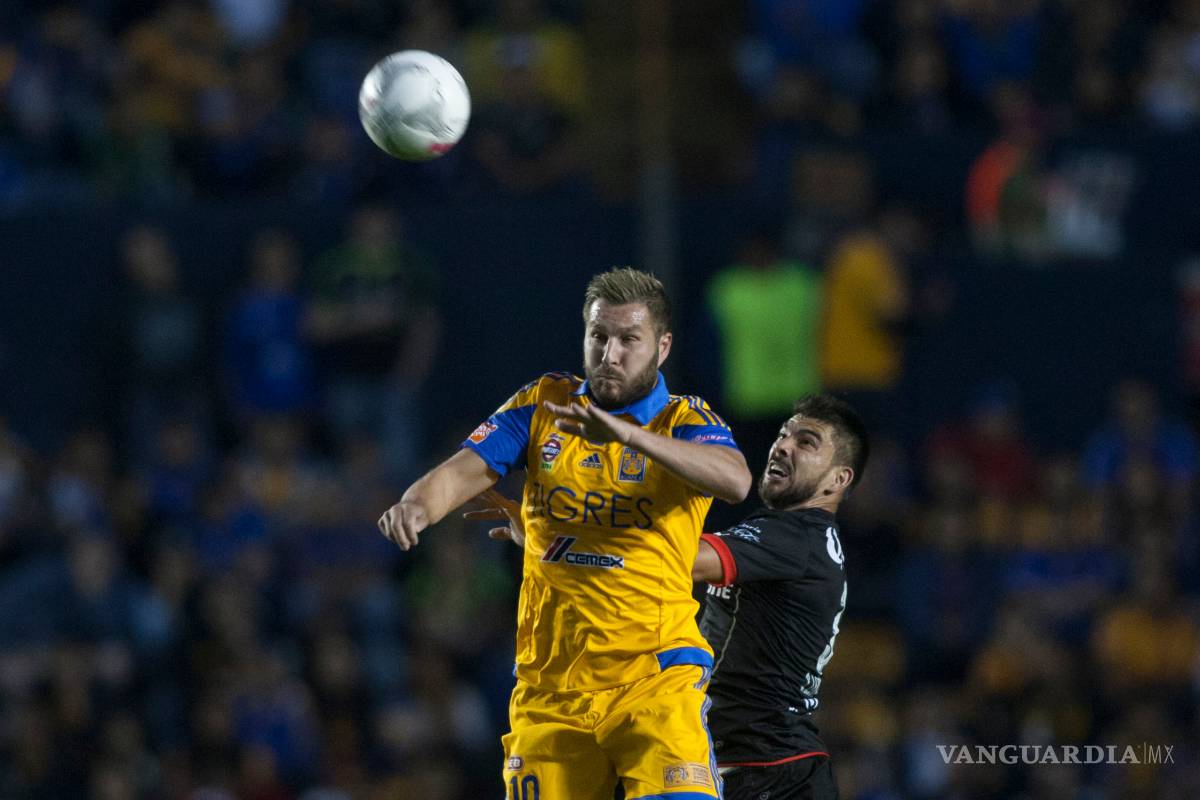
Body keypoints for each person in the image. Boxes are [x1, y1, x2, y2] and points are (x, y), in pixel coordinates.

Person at [377, 267, 752, 800]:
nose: (610, 354)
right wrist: (416, 505)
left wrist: (626, 434)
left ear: (662, 347)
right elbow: (465, 469)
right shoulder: (545, 404)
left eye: (629, 340)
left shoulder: (683, 421)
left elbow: (736, 480)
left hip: (655, 679)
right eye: (599, 336)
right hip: (550, 688)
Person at [475, 393, 866, 800]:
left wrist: (553, 536)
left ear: (838, 480)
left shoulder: (797, 538)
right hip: (754, 765)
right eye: (784, 435)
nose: (783, 445)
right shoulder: (791, 539)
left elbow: (671, 561)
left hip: (770, 771)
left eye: (806, 442)